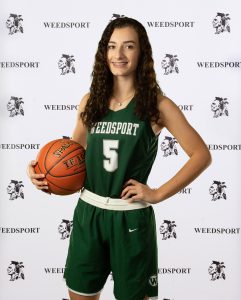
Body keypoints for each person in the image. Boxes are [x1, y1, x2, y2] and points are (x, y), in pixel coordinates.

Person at [28, 17, 212, 300]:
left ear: (142, 53)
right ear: (104, 52)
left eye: (129, 46)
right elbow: (73, 157)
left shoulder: (157, 105)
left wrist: (158, 193)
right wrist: (42, 173)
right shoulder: (90, 101)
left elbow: (201, 155)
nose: (119, 54)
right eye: (112, 46)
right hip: (89, 214)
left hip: (131, 219)